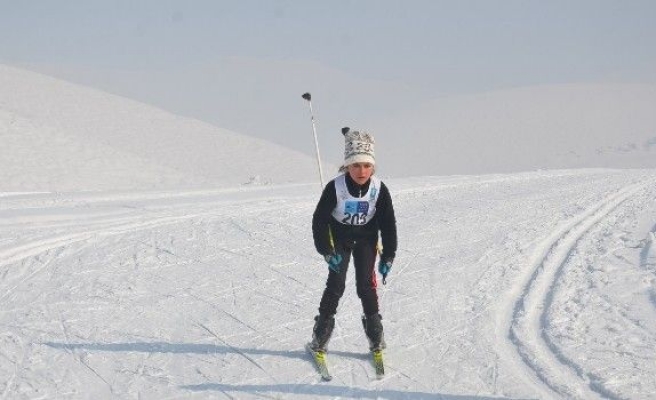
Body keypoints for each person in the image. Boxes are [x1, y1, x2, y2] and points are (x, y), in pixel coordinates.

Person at [309, 127, 398, 353]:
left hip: (367, 240)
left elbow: (388, 224)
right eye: (356, 165)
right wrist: (327, 251)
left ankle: (376, 335)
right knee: (336, 285)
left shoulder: (379, 189)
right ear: (347, 165)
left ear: (373, 167)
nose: (361, 171)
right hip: (340, 239)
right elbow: (319, 221)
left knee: (366, 285)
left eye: (367, 165)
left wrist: (388, 255)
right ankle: (321, 333)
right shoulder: (335, 188)